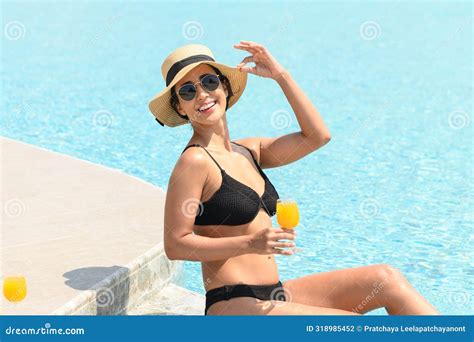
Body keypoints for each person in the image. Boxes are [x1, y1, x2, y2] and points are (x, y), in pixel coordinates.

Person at [148, 41, 439, 316]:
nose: (202, 94)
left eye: (209, 82)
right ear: (179, 108)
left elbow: (317, 136)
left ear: (224, 86)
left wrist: (280, 76)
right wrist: (250, 243)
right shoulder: (195, 161)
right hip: (234, 305)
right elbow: (176, 244)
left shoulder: (249, 150)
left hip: (273, 295)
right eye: (187, 91)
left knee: (385, 278)